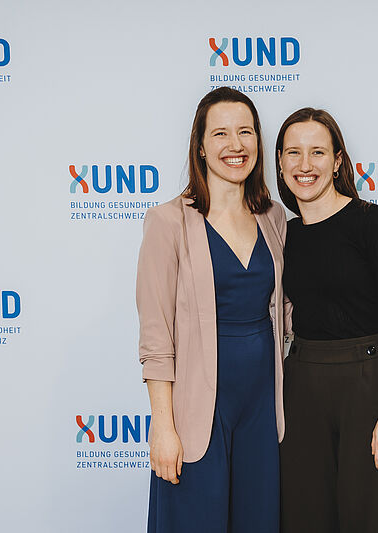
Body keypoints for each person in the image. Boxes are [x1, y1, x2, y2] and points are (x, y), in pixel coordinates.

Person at [136, 87, 288, 533]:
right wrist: (163, 427)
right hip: (196, 412)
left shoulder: (274, 217)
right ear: (200, 146)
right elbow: (156, 335)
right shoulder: (168, 221)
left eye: (246, 132)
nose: (235, 145)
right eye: (220, 133)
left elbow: (286, 311)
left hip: (261, 409)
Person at [276, 108, 378, 533]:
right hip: (302, 391)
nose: (305, 165)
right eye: (293, 153)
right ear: (280, 163)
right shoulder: (283, 235)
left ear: (338, 161)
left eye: (318, 152)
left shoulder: (373, 224)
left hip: (369, 389)